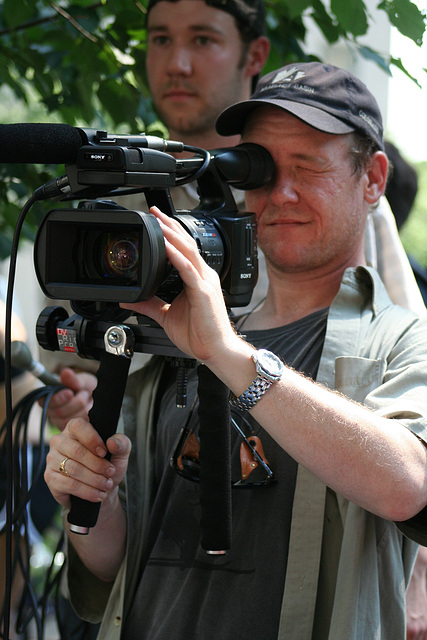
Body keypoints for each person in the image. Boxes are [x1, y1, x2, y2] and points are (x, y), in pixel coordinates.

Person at [43, 62, 427, 639]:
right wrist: (87, 499)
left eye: (310, 166)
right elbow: (120, 567)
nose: (282, 194)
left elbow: (409, 485)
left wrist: (229, 355)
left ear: (373, 179)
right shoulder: (174, 334)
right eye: (263, 170)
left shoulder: (402, 336)